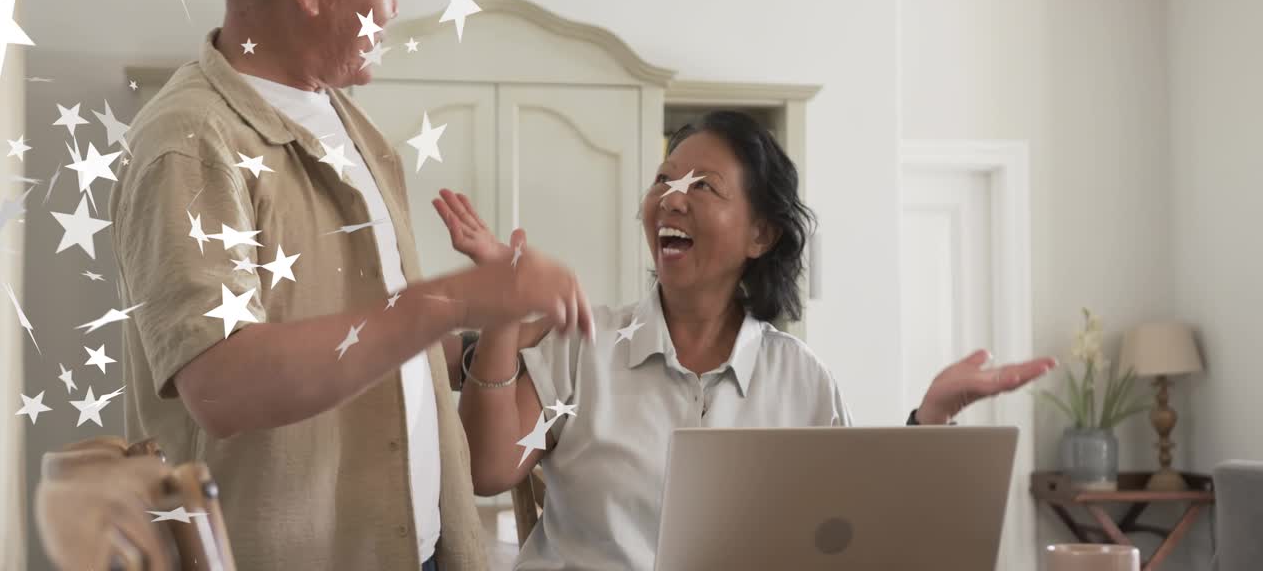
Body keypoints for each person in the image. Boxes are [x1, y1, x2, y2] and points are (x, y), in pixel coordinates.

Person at [108, 0, 590, 569]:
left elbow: (371, 349)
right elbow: (222, 383)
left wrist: (483, 323)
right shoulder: (190, 140)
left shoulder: (349, 124)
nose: (396, 6)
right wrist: (453, 297)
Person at [442, 110, 1057, 570]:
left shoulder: (802, 381)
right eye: (663, 179)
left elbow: (855, 535)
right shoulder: (586, 342)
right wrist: (502, 307)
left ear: (760, 234)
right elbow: (488, 469)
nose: (670, 198)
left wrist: (930, 421)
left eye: (703, 186)